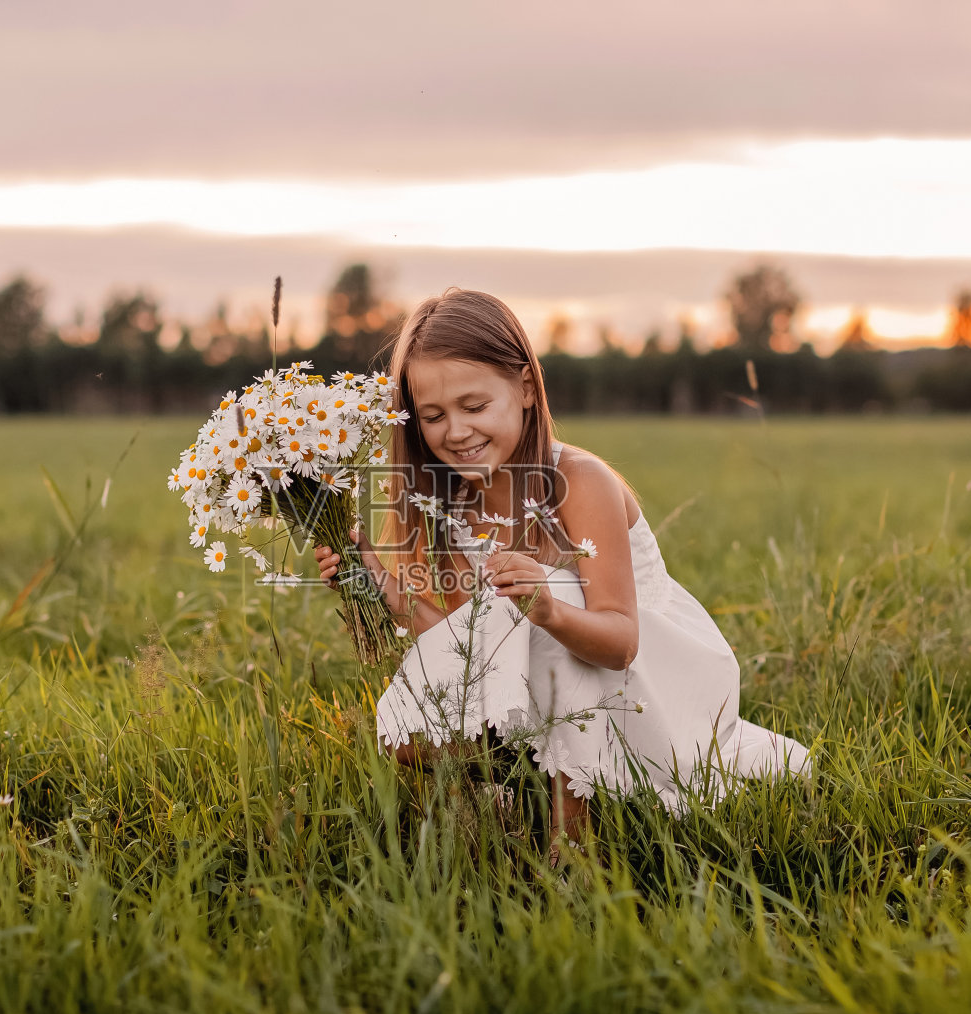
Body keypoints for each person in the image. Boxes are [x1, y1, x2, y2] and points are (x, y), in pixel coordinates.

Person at [315, 288, 810, 860]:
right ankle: (516, 781)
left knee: (548, 593)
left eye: (474, 406)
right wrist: (380, 584)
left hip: (645, 683)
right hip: (564, 692)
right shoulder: (446, 503)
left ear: (526, 388)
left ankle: (570, 845)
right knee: (408, 733)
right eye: (433, 416)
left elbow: (620, 645)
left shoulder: (578, 480)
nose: (456, 431)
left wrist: (547, 611)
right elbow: (467, 645)